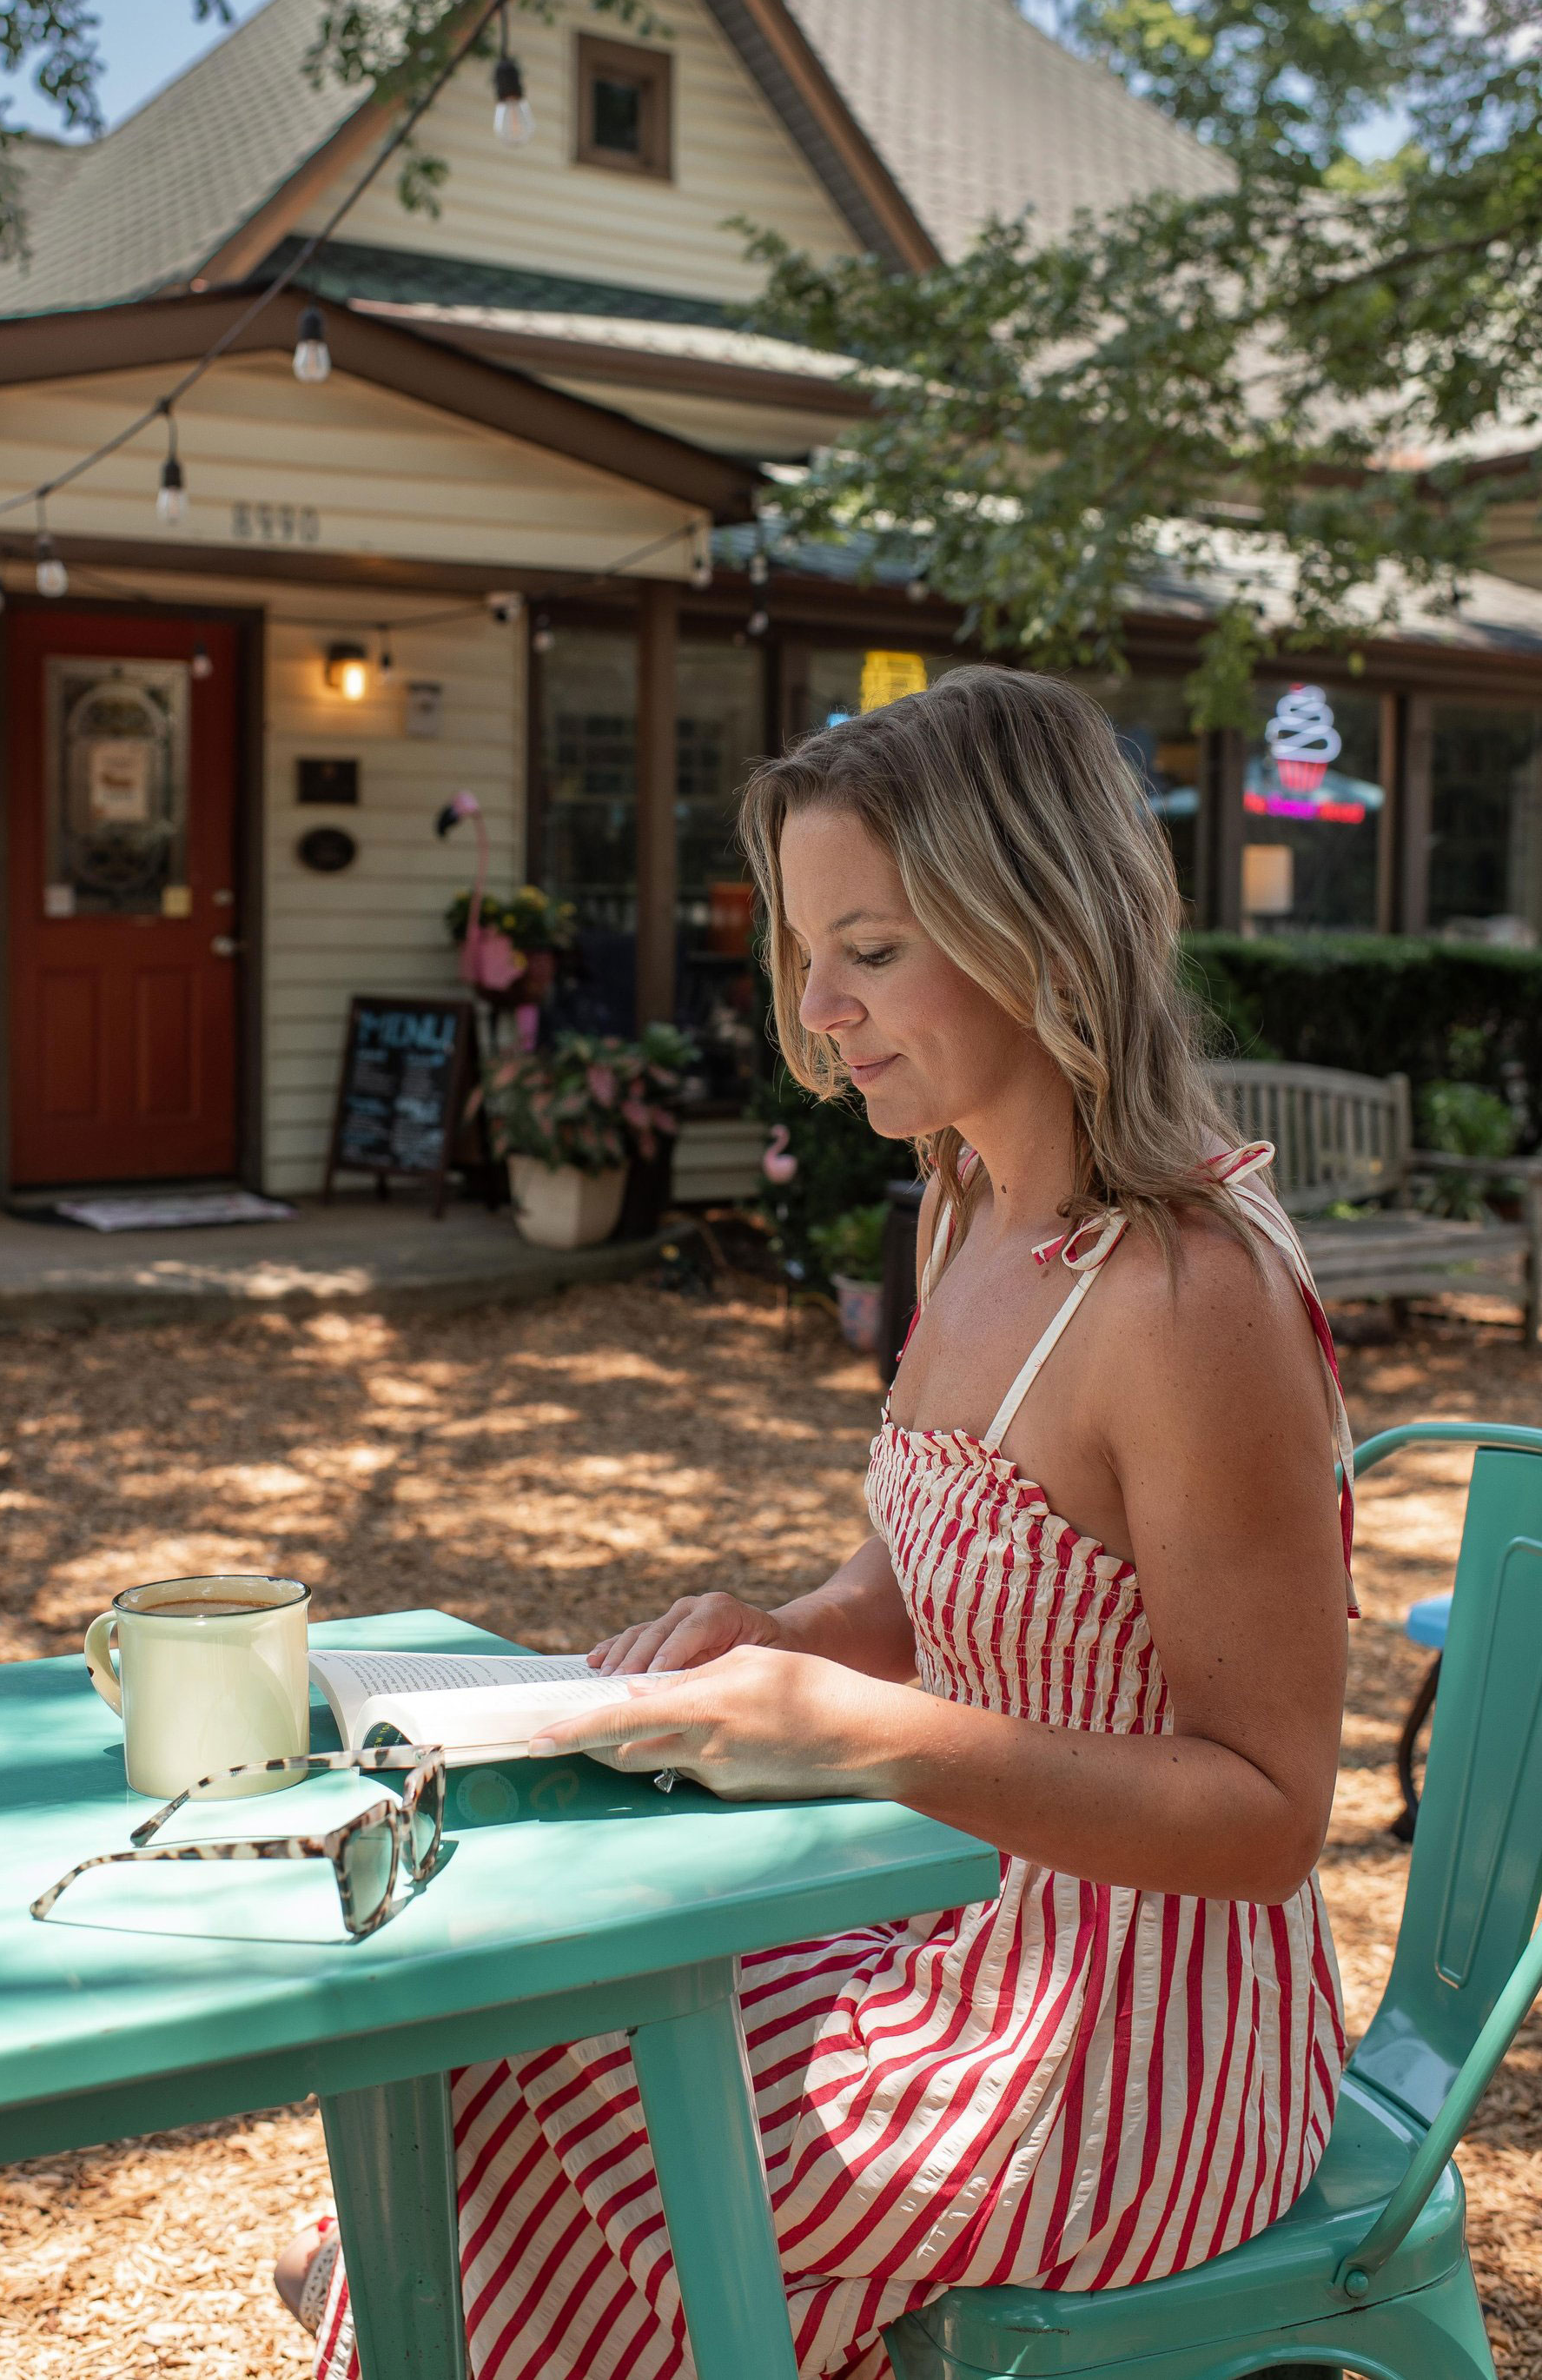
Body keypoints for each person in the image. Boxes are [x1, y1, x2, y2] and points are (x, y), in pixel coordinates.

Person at [280, 664, 1355, 2380]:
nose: (816, 1005)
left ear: (1037, 927)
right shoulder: (966, 1204)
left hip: (1134, 2055)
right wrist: (778, 1636)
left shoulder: (1184, 1299)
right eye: (801, 948)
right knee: (496, 2014)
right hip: (959, 1939)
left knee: (578, 2071)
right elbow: (944, 1567)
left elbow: (1266, 1816)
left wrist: (861, 1738)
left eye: (867, 949)